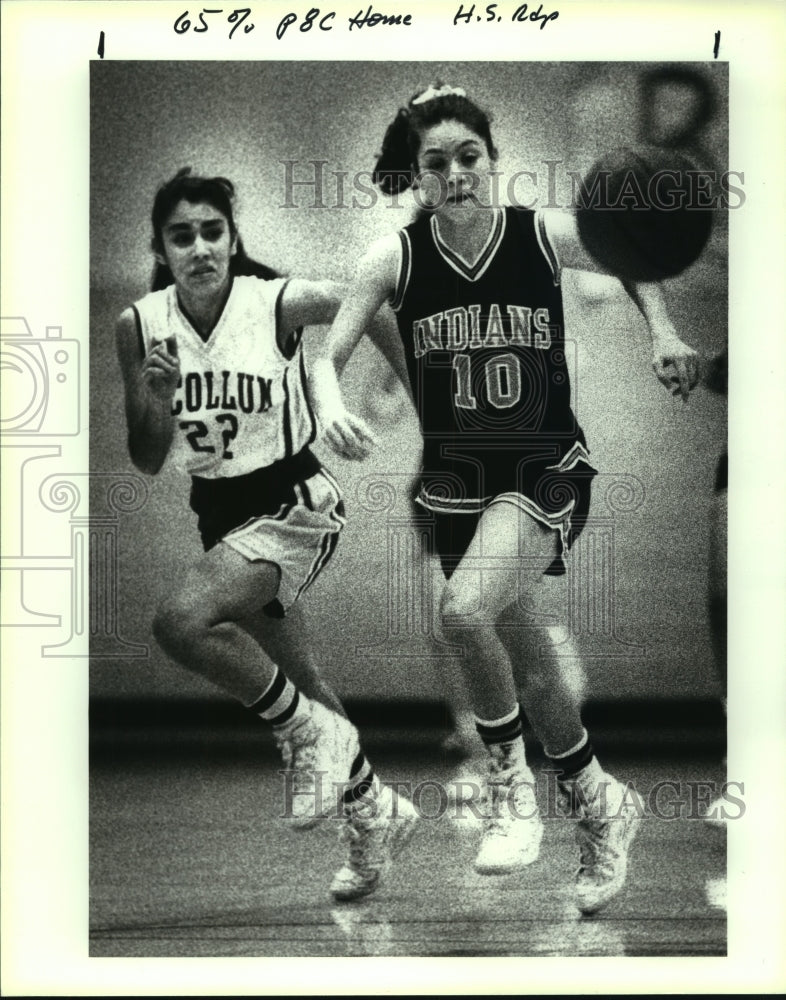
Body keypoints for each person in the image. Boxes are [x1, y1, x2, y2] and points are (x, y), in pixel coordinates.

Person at [310, 84, 701, 915]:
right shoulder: (394, 258)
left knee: (458, 616)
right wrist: (328, 396)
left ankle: (509, 788)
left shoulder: (541, 233)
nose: (455, 173)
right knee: (531, 663)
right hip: (458, 485)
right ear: (418, 174)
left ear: (492, 161)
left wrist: (663, 330)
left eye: (470, 157)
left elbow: (630, 254)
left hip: (545, 466)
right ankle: (600, 805)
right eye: (437, 162)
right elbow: (328, 352)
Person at [114, 167, 417, 902]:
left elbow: (373, 297)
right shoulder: (139, 325)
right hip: (218, 513)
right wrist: (155, 398)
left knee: (180, 623)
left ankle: (307, 738)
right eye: (181, 236)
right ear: (160, 246)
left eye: (213, 231)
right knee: (305, 684)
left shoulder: (275, 299)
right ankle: (375, 812)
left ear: (232, 235)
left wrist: (387, 389)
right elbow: (149, 456)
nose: (200, 247)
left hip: (293, 501)